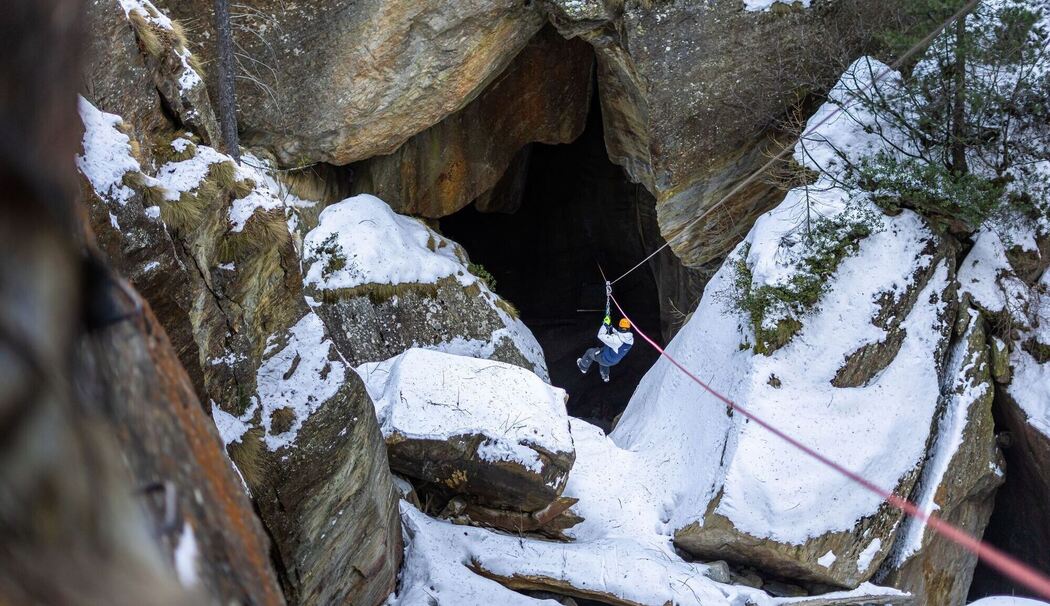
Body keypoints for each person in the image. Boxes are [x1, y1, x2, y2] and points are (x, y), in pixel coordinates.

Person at [577, 316, 634, 383]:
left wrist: (605, 325)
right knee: (603, 351)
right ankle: (605, 375)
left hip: (606, 359)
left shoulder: (616, 340)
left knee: (590, 352)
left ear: (620, 327)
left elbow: (600, 335)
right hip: (615, 360)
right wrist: (611, 328)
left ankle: (583, 367)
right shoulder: (630, 339)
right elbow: (620, 335)